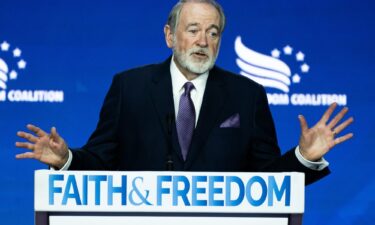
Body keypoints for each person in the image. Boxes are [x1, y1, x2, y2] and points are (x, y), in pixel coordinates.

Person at [15, 0, 353, 185]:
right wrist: (66, 160)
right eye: (193, 30)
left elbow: (267, 181)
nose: (204, 41)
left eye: (213, 32)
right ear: (169, 35)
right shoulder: (129, 87)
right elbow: (102, 159)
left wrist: (304, 157)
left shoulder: (247, 95)